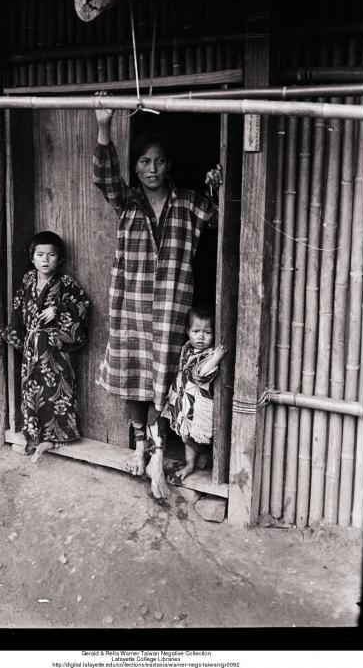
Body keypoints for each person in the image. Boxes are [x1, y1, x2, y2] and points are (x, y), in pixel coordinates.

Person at [93, 93, 222, 498]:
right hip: (130, 305)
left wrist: (220, 184)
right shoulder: (127, 201)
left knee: (160, 384)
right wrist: (103, 127)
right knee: (132, 380)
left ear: (170, 165)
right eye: (145, 161)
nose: (152, 168)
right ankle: (141, 447)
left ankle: (155, 458)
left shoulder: (188, 203)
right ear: (136, 165)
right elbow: (105, 178)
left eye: (160, 161)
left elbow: (222, 217)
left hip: (170, 307)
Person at [2, 231, 90, 463]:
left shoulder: (66, 283)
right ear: (32, 258)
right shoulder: (28, 280)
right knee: (32, 392)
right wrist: (17, 335)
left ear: (59, 259)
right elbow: (18, 307)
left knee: (56, 392)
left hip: (55, 348)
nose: (45, 259)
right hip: (32, 348)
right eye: (40, 254)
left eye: (51, 255)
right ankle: (34, 437)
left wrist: (58, 310)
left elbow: (83, 305)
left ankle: (55, 438)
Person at [161, 304, 227, 481]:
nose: (201, 337)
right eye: (196, 331)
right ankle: (193, 461)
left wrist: (215, 359)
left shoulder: (210, 354)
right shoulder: (187, 349)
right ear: (188, 331)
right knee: (184, 435)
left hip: (198, 406)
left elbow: (201, 373)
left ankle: (198, 458)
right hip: (184, 402)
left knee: (196, 436)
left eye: (207, 333)